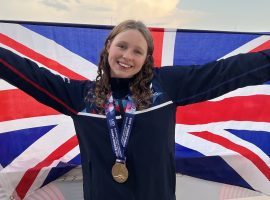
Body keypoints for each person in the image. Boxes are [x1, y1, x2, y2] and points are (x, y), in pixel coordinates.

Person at [1, 19, 270, 200]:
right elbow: (28, 74)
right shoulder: (80, 97)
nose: (127, 56)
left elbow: (226, 72)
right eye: (122, 46)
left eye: (138, 51)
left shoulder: (167, 87)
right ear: (108, 47)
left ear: (146, 59)